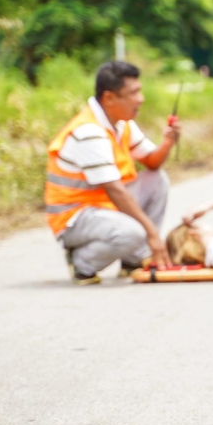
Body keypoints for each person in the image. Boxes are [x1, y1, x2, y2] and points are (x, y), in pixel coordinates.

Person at [45, 61, 180, 285]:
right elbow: (115, 190)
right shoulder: (89, 131)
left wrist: (168, 141)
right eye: (134, 93)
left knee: (157, 180)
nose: (141, 99)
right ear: (109, 98)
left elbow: (152, 163)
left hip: (104, 208)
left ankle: (132, 260)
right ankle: (82, 262)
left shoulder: (120, 123)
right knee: (134, 232)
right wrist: (152, 235)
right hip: (75, 218)